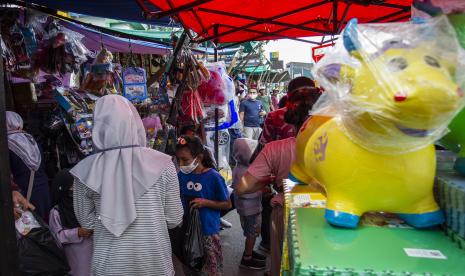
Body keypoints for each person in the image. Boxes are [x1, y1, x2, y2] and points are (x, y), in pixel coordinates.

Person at [71, 95, 183, 275]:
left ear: (98, 124)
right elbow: (174, 219)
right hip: (154, 264)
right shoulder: (163, 165)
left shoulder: (85, 172)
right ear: (135, 121)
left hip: (108, 265)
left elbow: (88, 223)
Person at [236, 87, 320, 276]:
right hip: (328, 216)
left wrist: (271, 179)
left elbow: (242, 187)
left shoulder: (275, 149)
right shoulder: (337, 147)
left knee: (281, 264)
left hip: (286, 212)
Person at [176, 136, 232, 276]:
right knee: (190, 265)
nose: (181, 164)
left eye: (185, 160)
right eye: (179, 160)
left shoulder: (213, 177)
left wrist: (205, 202)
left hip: (208, 231)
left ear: (199, 158)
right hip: (186, 230)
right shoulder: (181, 175)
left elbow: (227, 204)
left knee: (211, 267)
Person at [7, 111, 50, 219]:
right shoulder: (32, 140)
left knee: (29, 229)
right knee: (44, 227)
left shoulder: (6, 144)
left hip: (22, 194)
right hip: (43, 190)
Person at [49, 170, 93, 276]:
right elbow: (56, 238)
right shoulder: (56, 212)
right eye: (72, 186)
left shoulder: (87, 205)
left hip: (93, 254)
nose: (75, 190)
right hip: (75, 260)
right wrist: (77, 232)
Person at [232, 138, 267, 270]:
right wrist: (261, 190)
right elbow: (244, 192)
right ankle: (247, 258)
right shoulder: (244, 172)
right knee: (251, 234)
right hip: (249, 209)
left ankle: (250, 252)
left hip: (247, 209)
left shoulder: (240, 167)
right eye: (253, 153)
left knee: (250, 232)